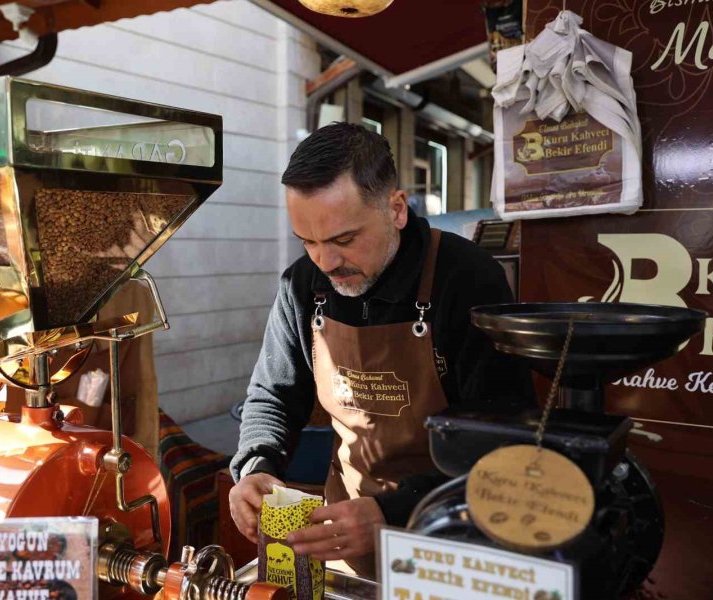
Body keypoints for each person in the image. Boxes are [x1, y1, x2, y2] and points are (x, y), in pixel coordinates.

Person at [228, 123, 534, 576]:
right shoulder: (303, 285)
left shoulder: (467, 279)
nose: (325, 263)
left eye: (343, 240)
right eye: (308, 242)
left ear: (396, 209)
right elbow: (273, 395)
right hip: (342, 538)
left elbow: (503, 439)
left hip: (449, 535)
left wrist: (395, 511)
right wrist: (256, 463)